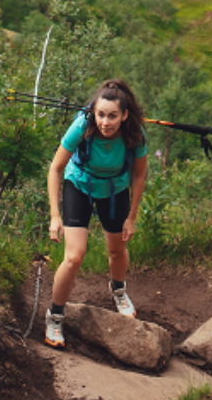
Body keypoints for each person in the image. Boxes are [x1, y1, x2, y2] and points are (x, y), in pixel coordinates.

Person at [42, 78, 150, 349]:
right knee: (74, 256)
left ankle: (118, 289)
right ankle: (54, 315)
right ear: (94, 113)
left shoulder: (135, 135)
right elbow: (56, 168)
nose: (105, 122)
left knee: (117, 250)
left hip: (115, 189)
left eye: (113, 116)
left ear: (125, 115)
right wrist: (55, 215)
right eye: (101, 115)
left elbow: (139, 175)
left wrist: (132, 216)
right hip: (80, 183)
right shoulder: (82, 126)